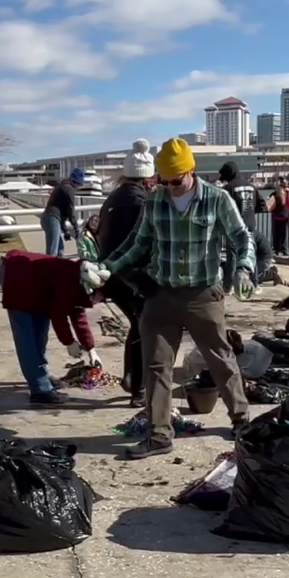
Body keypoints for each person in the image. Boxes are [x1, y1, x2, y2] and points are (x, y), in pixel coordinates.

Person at [99, 137, 255, 460]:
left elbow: (242, 238)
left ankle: (241, 420)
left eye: (176, 180)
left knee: (220, 358)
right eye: (163, 181)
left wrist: (243, 269)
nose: (170, 187)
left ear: (192, 171)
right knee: (156, 364)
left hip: (204, 295)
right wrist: (105, 269)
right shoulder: (155, 202)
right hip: (161, 295)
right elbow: (136, 245)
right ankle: (158, 434)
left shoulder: (217, 199)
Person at [0, 250, 101, 406]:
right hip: (15, 276)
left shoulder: (81, 282)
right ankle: (40, 390)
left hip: (37, 285)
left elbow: (77, 313)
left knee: (40, 335)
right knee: (28, 341)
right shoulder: (71, 281)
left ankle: (42, 375)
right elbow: (58, 314)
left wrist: (90, 349)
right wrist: (69, 342)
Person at [97, 139, 156, 407]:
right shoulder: (139, 201)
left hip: (111, 272)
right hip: (129, 275)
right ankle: (138, 388)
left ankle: (132, 379)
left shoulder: (114, 197)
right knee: (145, 327)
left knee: (137, 325)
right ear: (148, 177)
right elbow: (140, 242)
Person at [218, 161, 266, 293]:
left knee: (232, 255)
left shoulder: (228, 189)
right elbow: (262, 206)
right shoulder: (251, 186)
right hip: (250, 225)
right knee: (250, 254)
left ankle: (228, 286)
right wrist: (250, 214)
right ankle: (254, 284)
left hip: (234, 228)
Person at [41, 168, 85, 257]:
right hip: (52, 218)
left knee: (59, 248)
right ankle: (50, 269)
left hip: (48, 218)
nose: (78, 187)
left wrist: (65, 231)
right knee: (53, 250)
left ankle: (59, 267)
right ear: (75, 182)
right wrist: (76, 228)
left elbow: (62, 213)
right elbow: (70, 211)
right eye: (79, 184)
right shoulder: (69, 189)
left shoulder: (62, 186)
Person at [267, 178, 289, 255]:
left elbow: (269, 205)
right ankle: (284, 250)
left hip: (276, 216)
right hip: (285, 215)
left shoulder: (274, 194)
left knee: (275, 233)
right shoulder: (288, 193)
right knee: (284, 234)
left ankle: (276, 249)